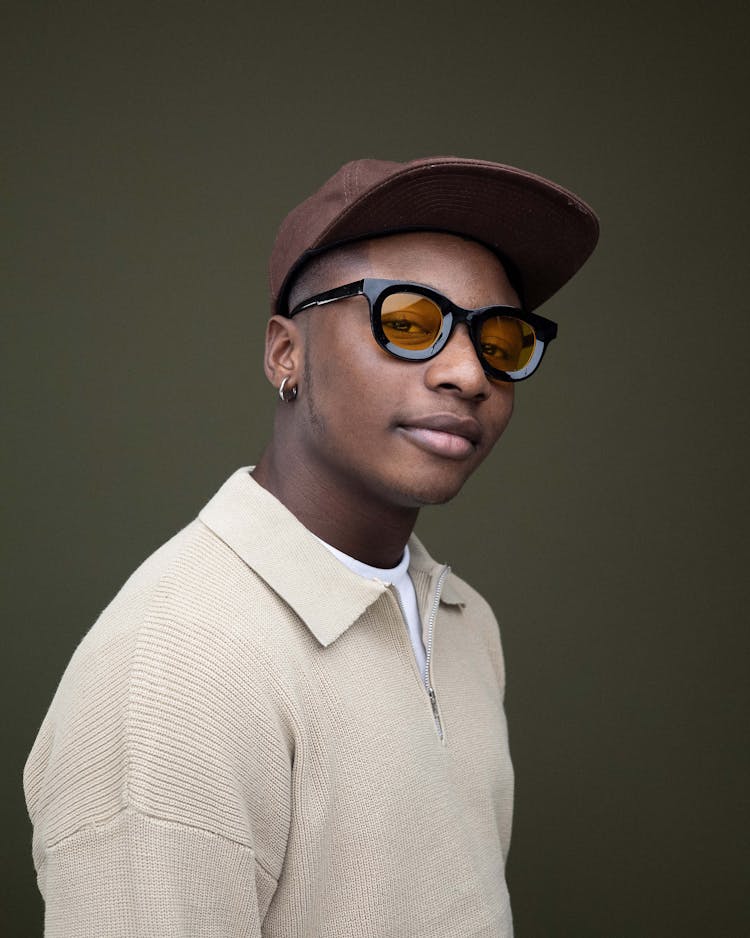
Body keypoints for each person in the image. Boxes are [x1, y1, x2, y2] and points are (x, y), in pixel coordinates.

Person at [24, 156, 599, 937]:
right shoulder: (176, 667)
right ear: (285, 354)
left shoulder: (464, 623)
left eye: (501, 338)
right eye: (407, 321)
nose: (469, 372)